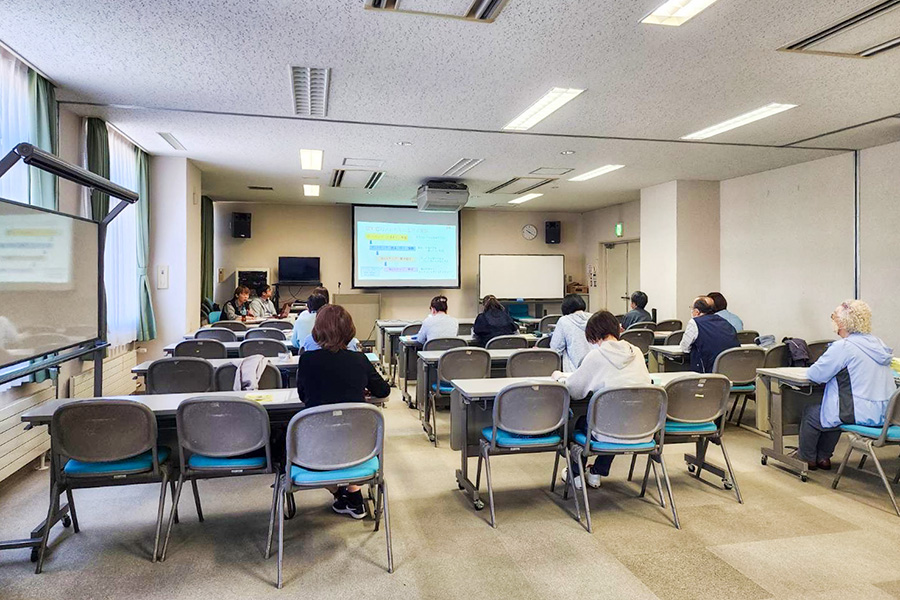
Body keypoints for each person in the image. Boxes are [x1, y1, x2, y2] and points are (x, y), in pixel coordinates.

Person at [295, 304, 390, 518]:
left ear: (318, 330)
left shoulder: (307, 360)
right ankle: (353, 494)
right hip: (358, 450)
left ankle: (339, 494)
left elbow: (303, 397)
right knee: (351, 434)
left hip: (314, 452)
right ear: (349, 330)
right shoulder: (359, 360)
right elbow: (383, 391)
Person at [552, 310, 652, 489]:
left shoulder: (596, 356)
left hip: (609, 430)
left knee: (583, 422)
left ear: (593, 335)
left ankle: (575, 475)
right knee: (615, 417)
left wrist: (559, 377)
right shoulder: (636, 352)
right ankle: (597, 471)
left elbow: (575, 391)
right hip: (642, 429)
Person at [799, 300, 895, 471]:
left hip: (859, 414)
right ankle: (823, 457)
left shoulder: (844, 347)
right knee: (831, 408)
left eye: (833, 316)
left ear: (842, 323)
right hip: (887, 414)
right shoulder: (878, 345)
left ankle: (807, 459)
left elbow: (815, 375)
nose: (832, 320)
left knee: (814, 413)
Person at [680, 296, 739, 373]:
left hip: (707, 372)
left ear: (697, 312)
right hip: (731, 370)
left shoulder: (695, 322)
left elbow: (685, 348)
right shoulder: (724, 321)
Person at [550, 294, 592, 372]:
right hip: (596, 370)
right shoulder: (593, 318)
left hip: (574, 373)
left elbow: (555, 349)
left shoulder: (564, 321)